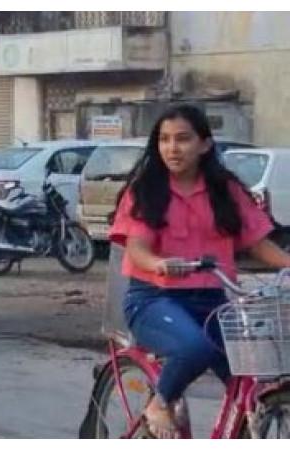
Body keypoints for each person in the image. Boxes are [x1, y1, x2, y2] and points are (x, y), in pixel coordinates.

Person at [109, 104, 290, 438]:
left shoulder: (227, 190)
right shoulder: (146, 189)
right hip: (153, 299)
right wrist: (159, 264)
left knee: (251, 375)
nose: (172, 148)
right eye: (164, 140)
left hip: (214, 301)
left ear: (205, 144)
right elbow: (137, 249)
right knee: (196, 348)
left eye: (183, 139)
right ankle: (160, 402)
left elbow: (257, 242)